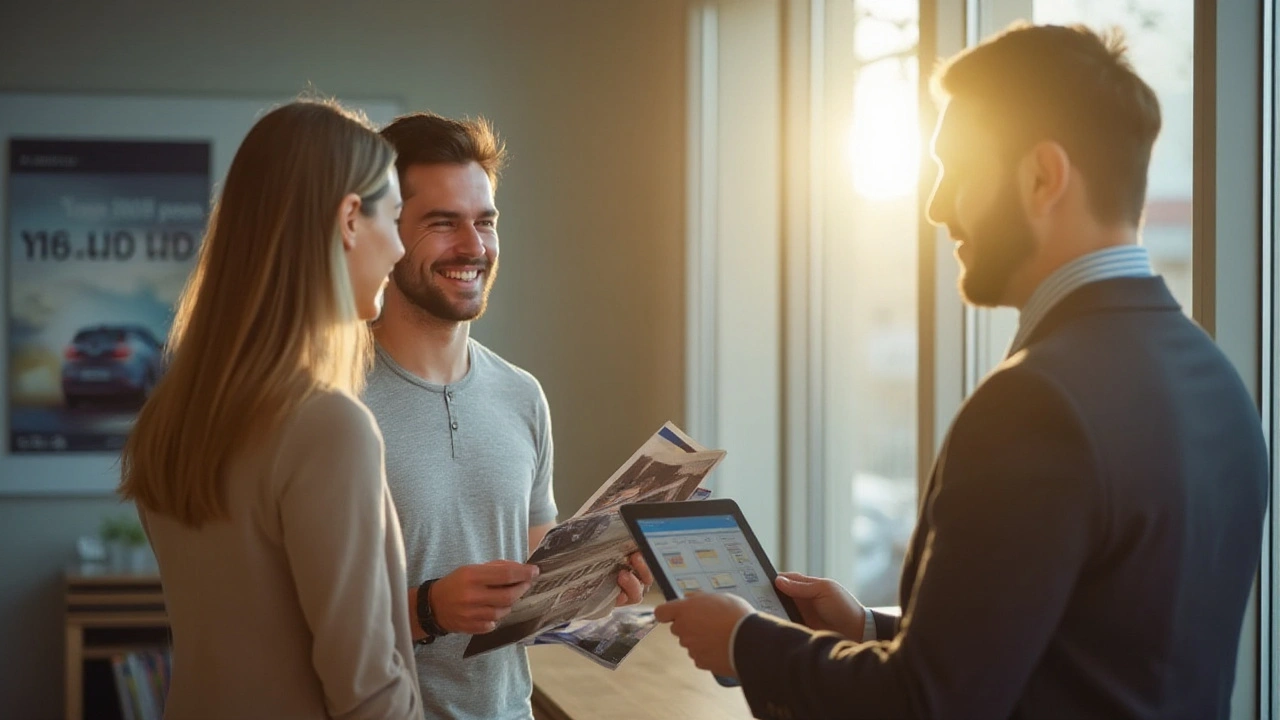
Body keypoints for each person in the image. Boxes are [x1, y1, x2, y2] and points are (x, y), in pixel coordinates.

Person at [655, 22, 1270, 720]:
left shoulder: (1037, 403)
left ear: (1042, 176)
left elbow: (928, 705)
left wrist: (745, 641)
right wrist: (866, 632)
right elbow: (1076, 659)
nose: (938, 206)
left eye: (956, 170)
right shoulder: (1219, 384)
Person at [118, 99, 422, 718]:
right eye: (395, 218)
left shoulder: (169, 419)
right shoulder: (329, 426)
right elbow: (367, 691)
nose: (399, 248)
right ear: (348, 220)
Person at [365, 111, 653, 720]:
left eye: (486, 222)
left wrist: (601, 598)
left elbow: (529, 599)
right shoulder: (330, 402)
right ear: (386, 232)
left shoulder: (523, 396)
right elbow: (288, 615)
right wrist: (426, 610)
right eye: (443, 224)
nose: (473, 246)